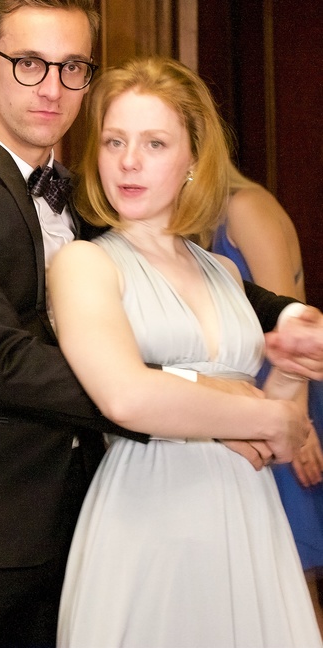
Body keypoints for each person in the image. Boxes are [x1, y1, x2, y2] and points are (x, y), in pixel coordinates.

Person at [0, 1, 319, 645]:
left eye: (72, 67)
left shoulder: (87, 198)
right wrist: (202, 401)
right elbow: (4, 363)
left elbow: (186, 281)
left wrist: (293, 314)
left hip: (93, 522)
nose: (52, 88)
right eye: (29, 63)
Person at [51, 56, 320, 646]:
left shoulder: (224, 271)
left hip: (247, 516)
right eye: (115, 141)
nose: (129, 160)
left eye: (154, 143)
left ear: (194, 159)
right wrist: (265, 415)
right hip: (148, 514)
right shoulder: (84, 263)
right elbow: (125, 397)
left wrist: (292, 368)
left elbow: (281, 436)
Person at [212, 164, 323, 631]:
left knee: (293, 581)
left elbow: (291, 325)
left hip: (281, 401)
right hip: (249, 408)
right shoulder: (206, 223)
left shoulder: (244, 208)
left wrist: (297, 419)